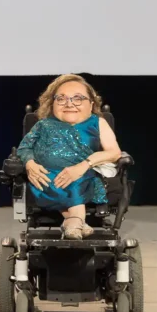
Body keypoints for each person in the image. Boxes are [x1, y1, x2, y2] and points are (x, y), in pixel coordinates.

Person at [16, 74, 123, 239]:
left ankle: (73, 221)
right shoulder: (43, 125)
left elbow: (114, 152)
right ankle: (77, 222)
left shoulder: (97, 123)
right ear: (52, 104)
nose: (69, 104)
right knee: (55, 178)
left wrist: (82, 166)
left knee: (75, 179)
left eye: (78, 98)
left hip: (83, 173)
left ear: (91, 104)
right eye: (61, 99)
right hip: (46, 176)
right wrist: (30, 164)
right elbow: (24, 148)